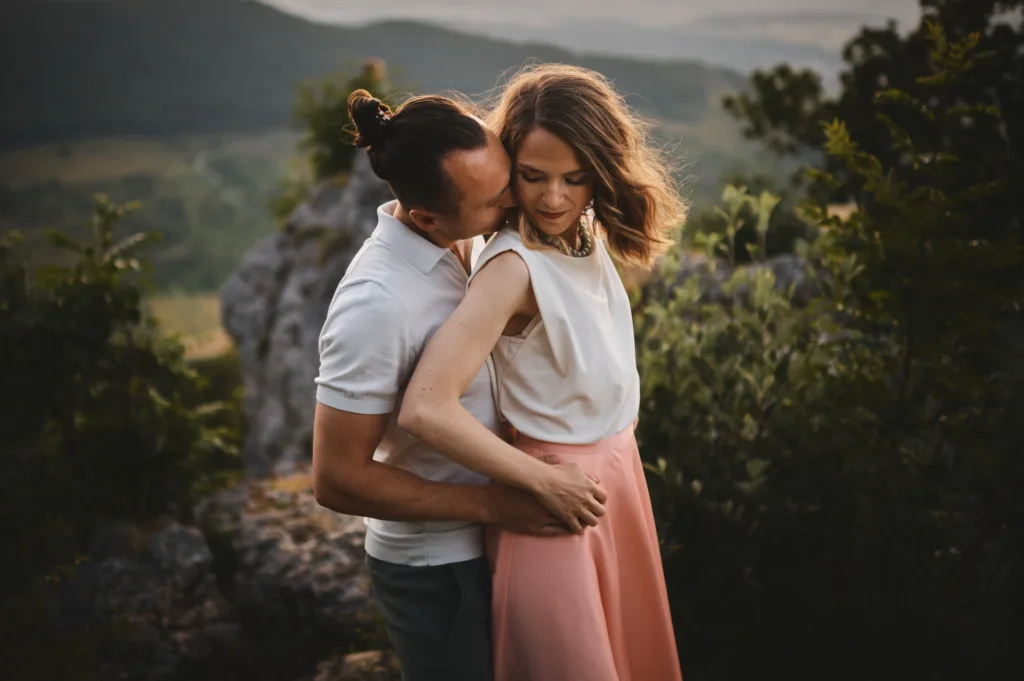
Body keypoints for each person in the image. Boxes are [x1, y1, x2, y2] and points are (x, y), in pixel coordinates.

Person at [398, 64, 688, 680]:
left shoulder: (581, 234)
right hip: (554, 502)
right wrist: (540, 480)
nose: (554, 198)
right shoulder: (511, 266)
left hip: (615, 482)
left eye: (575, 179)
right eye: (532, 177)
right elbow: (425, 405)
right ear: (508, 170)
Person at [311, 88, 608, 681]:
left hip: (497, 537)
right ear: (427, 217)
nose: (515, 200)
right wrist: (496, 504)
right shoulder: (376, 304)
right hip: (436, 569)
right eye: (498, 198)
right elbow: (336, 478)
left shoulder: (454, 238)